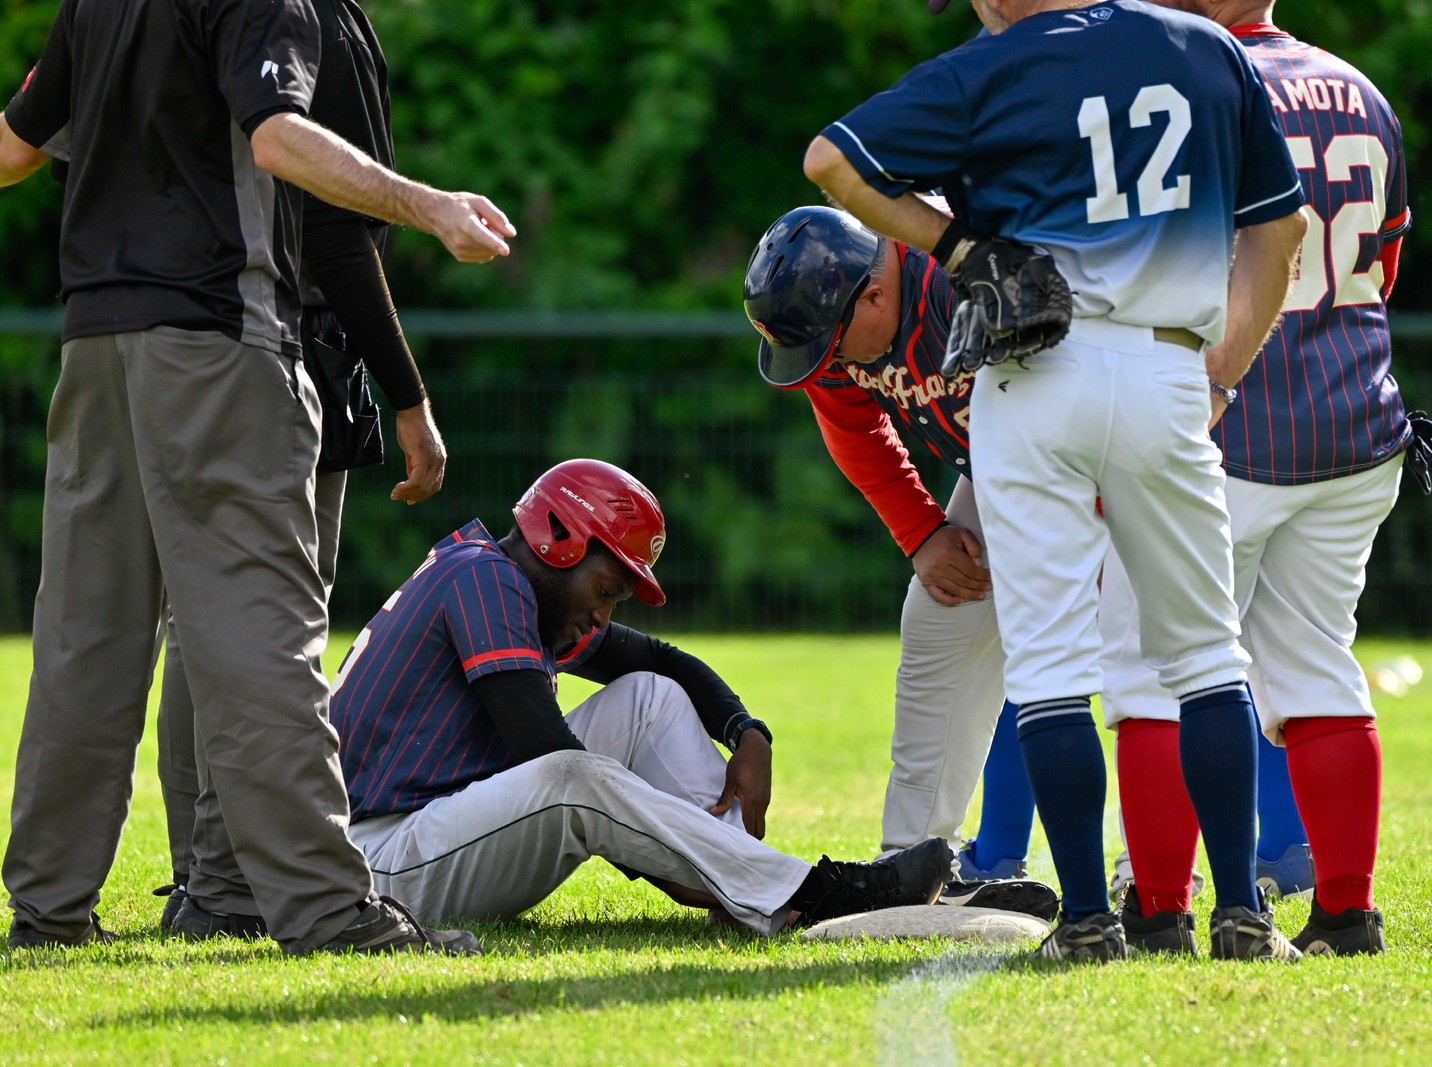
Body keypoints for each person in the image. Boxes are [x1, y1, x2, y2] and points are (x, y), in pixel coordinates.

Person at [0, 0, 514, 955]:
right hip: (217, 337)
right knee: (262, 634)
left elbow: (14, 150)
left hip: (95, 342)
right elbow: (278, 141)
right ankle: (322, 908)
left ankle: (47, 908)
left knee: (86, 634)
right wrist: (431, 206)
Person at [804, 0, 1309, 961]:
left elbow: (832, 163)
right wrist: (1225, 367)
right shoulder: (1201, 43)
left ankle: (1084, 923)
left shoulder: (987, 68)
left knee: (1046, 673)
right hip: (1167, 365)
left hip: (1031, 375)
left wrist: (957, 249)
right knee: (1207, 659)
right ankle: (1242, 914)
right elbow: (1279, 231)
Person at [294, 458, 947, 933]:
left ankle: (748, 888)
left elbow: (659, 662)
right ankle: (806, 890)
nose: (605, 614)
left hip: (427, 830)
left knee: (648, 698)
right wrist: (668, 857)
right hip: (376, 864)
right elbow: (544, 752)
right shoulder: (486, 580)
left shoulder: (508, 584)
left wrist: (747, 729)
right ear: (559, 540)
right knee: (574, 773)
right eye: (606, 588)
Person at [1101, 0, 1425, 956]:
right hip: (1355, 416)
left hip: (1220, 414)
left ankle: (1157, 909)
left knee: (1157, 674)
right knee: (1319, 662)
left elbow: (1139, 260)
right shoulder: (1359, 88)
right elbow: (1384, 261)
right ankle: (1345, 912)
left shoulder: (1180, 82)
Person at [152, 0, 451, 939]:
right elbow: (329, 232)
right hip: (284, 349)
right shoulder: (309, 19)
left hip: (175, 339)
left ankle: (198, 874)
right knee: (271, 623)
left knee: (200, 624)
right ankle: (223, 884)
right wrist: (410, 398)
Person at [742, 204, 1055, 922]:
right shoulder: (848, 325)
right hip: (1007, 468)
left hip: (1104, 462)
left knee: (1132, 653)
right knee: (942, 612)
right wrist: (921, 532)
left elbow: (1076, 379)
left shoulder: (960, 275)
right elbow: (853, 426)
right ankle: (911, 861)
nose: (830, 363)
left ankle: (1154, 879)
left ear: (877, 294)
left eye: (831, 343)